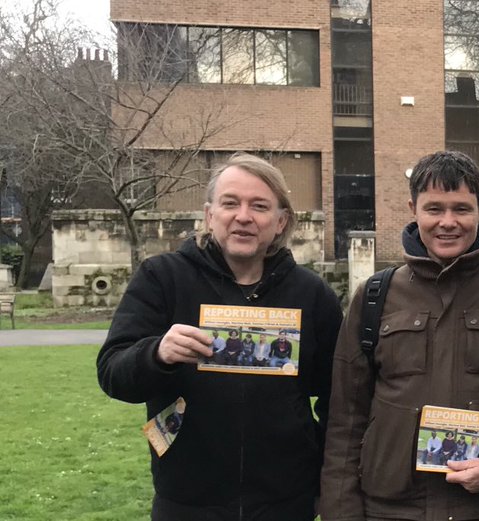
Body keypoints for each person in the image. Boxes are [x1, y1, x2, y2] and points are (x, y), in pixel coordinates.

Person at [96, 152, 343, 521]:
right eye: (231, 203)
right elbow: (112, 373)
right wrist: (156, 353)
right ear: (210, 215)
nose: (243, 216)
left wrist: (325, 478)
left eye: (259, 206)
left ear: (281, 222)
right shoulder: (162, 278)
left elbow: (338, 400)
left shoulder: (312, 294)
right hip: (186, 500)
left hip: (286, 501)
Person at [319, 151, 479, 521]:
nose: (448, 222)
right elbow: (345, 420)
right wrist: (342, 513)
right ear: (413, 208)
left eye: (461, 209)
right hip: (387, 510)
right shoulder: (374, 296)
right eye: (434, 209)